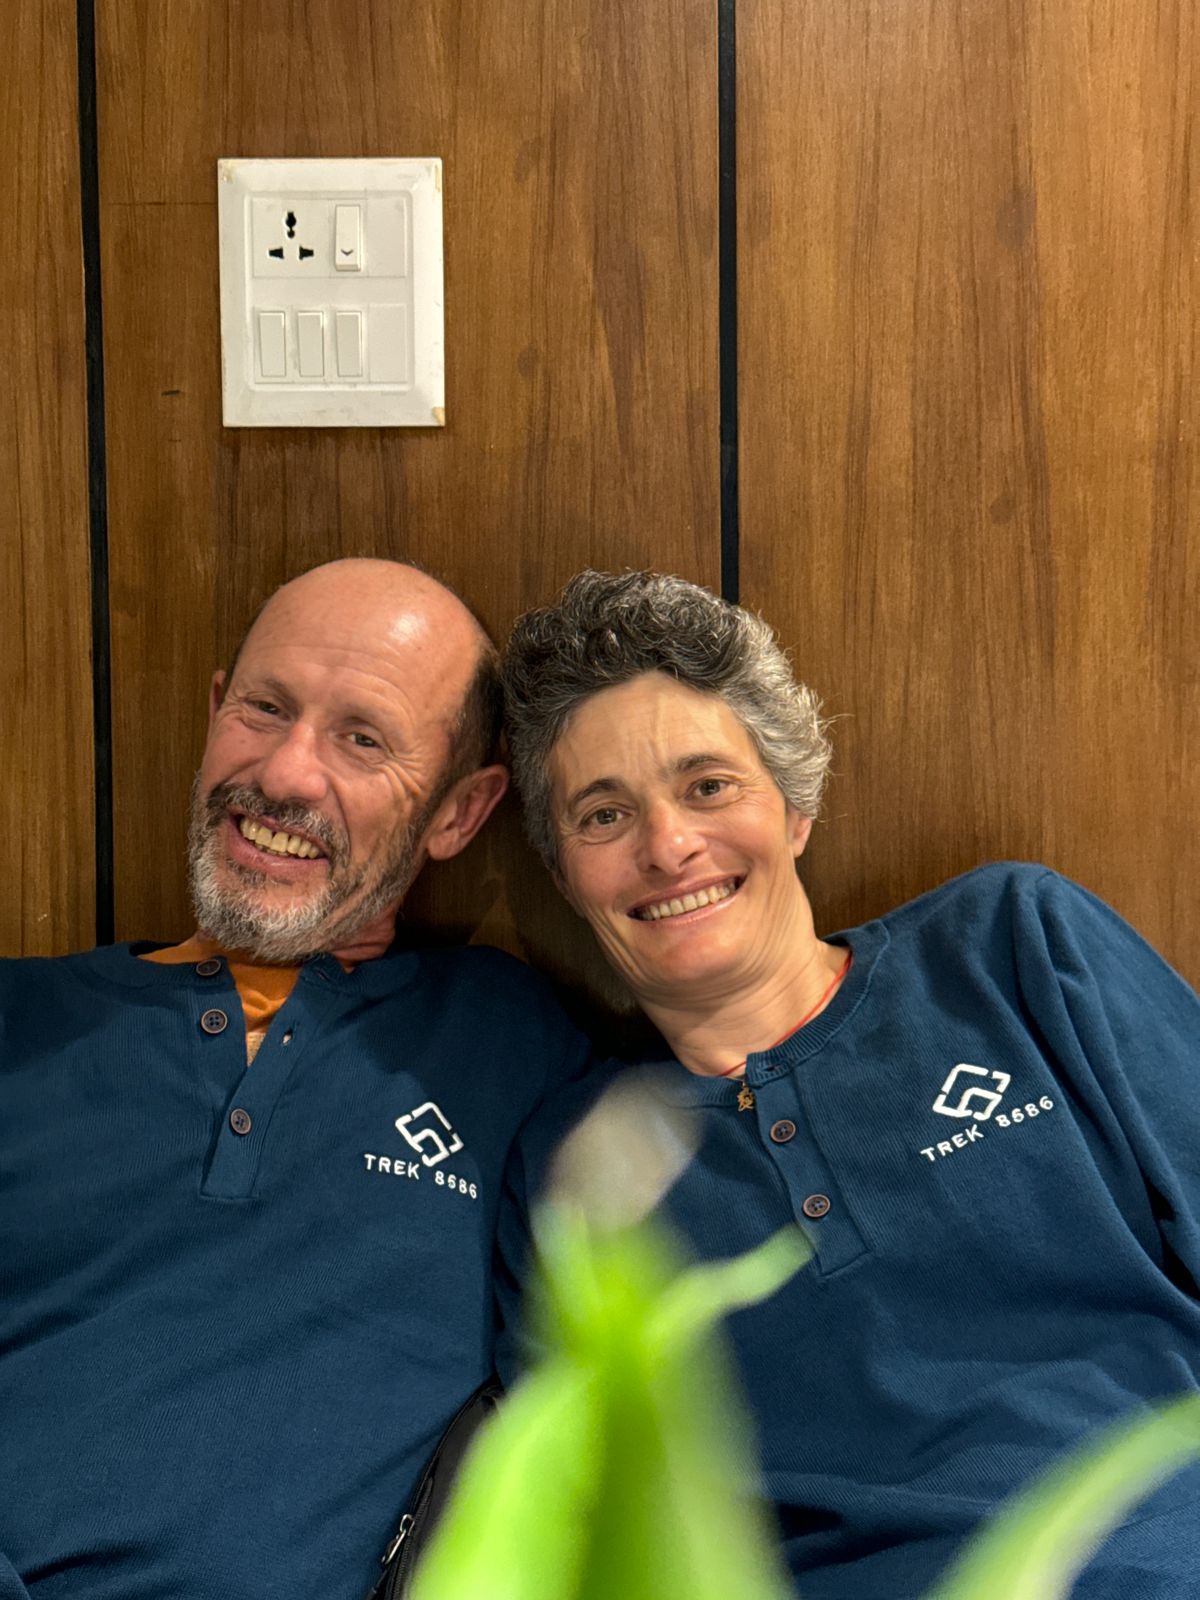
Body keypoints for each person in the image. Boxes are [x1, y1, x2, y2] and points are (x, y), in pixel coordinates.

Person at [501, 569, 1200, 1600]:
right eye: (604, 815)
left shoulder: (1013, 945)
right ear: (563, 874)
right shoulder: (574, 1167)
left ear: (795, 807)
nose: (668, 845)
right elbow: (594, 1536)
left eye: (707, 786)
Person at [0, 558, 587, 1600]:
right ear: (214, 708)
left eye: (363, 739)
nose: (283, 774)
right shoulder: (22, 1020)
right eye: (264, 708)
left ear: (459, 811)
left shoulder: (514, 1046)